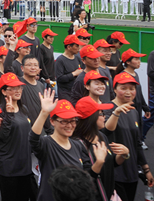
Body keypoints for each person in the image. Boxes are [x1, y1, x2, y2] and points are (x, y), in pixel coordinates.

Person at [30, 89, 92, 201]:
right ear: (52, 122)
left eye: (73, 121)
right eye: (64, 121)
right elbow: (33, 139)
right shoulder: (47, 143)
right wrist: (44, 113)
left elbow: (86, 173)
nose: (70, 125)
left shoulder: (78, 145)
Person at [102, 72, 154, 200]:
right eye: (123, 88)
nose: (128, 92)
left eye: (132, 88)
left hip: (131, 172)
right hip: (114, 172)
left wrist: (146, 169)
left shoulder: (134, 112)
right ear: (114, 89)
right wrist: (116, 112)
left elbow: (137, 143)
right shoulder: (107, 108)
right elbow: (106, 131)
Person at [73, 96, 130, 201]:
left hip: (109, 195)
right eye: (101, 113)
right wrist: (98, 163)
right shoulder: (77, 144)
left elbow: (110, 164)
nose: (104, 117)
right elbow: (82, 180)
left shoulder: (101, 136)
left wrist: (124, 154)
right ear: (91, 118)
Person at [0, 72, 38, 201]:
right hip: (8, 168)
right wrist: (8, 115)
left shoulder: (23, 108)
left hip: (25, 166)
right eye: (12, 88)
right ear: (3, 91)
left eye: (19, 87)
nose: (17, 91)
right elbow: (2, 137)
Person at [54, 34, 84, 101]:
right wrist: (74, 74)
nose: (79, 48)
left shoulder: (77, 58)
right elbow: (59, 78)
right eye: (76, 46)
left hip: (76, 93)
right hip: (65, 95)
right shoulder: (60, 60)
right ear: (69, 47)